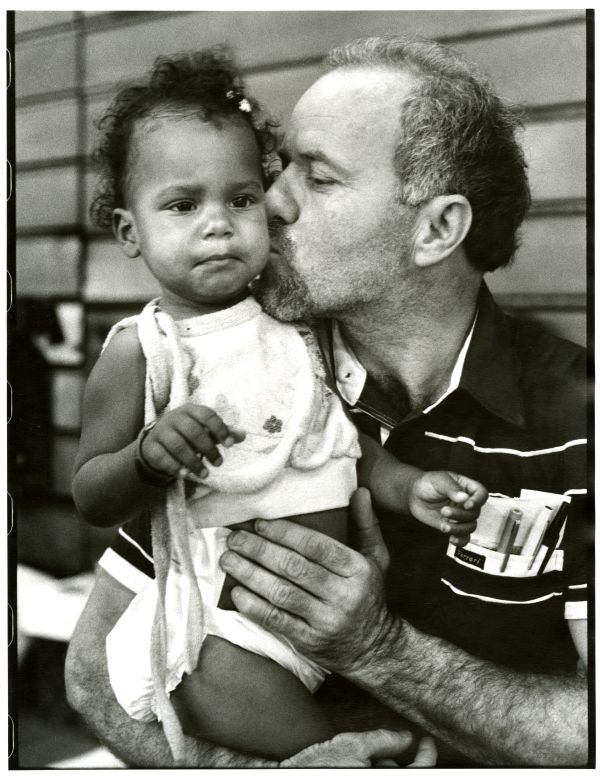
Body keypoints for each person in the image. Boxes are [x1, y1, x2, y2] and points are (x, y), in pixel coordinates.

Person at [65, 35, 588, 766]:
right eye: (280, 170)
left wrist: (381, 649)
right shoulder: (253, 357)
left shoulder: (578, 426)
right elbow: (94, 670)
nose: (268, 200)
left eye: (318, 177)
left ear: (437, 228)